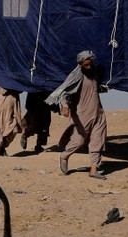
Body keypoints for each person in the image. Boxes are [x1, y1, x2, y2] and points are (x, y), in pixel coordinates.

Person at [45, 51, 109, 179]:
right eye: (86, 65)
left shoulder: (95, 74)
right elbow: (64, 91)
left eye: (90, 64)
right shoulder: (76, 77)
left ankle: (94, 169)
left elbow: (97, 87)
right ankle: (64, 156)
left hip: (98, 113)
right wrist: (64, 106)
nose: (89, 67)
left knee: (98, 141)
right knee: (79, 141)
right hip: (82, 115)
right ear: (80, 64)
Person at [0, 87, 24, 157]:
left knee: (14, 128)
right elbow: (2, 91)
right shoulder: (2, 85)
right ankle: (1, 149)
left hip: (13, 105)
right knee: (1, 128)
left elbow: (21, 90)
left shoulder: (15, 84)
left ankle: (2, 147)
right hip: (2, 105)